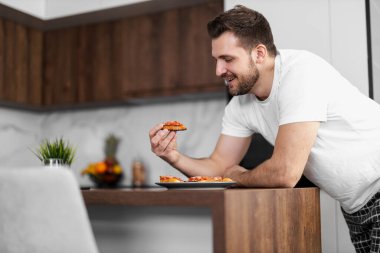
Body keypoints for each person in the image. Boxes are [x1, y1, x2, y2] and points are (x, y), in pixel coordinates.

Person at [149, 5, 380, 252]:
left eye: (227, 59)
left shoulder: (301, 73)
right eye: (216, 60)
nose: (218, 71)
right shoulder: (240, 105)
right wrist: (173, 156)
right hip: (356, 208)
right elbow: (218, 167)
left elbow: (285, 173)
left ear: (259, 53)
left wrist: (238, 176)